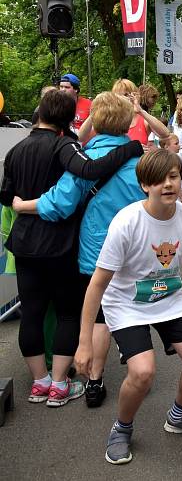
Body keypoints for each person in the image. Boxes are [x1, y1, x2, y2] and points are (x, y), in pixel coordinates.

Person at [74, 149, 182, 464]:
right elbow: (97, 283)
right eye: (158, 179)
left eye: (173, 176)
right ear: (144, 185)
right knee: (142, 372)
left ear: (181, 179)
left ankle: (179, 416)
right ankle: (122, 428)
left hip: (169, 297)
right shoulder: (127, 222)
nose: (168, 184)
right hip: (126, 303)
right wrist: (84, 342)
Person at [0, 90, 141, 408]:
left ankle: (78, 382)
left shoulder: (73, 155)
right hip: (133, 251)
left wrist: (22, 206)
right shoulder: (142, 159)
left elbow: (60, 202)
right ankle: (130, 370)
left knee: (90, 314)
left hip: (88, 251)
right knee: (123, 310)